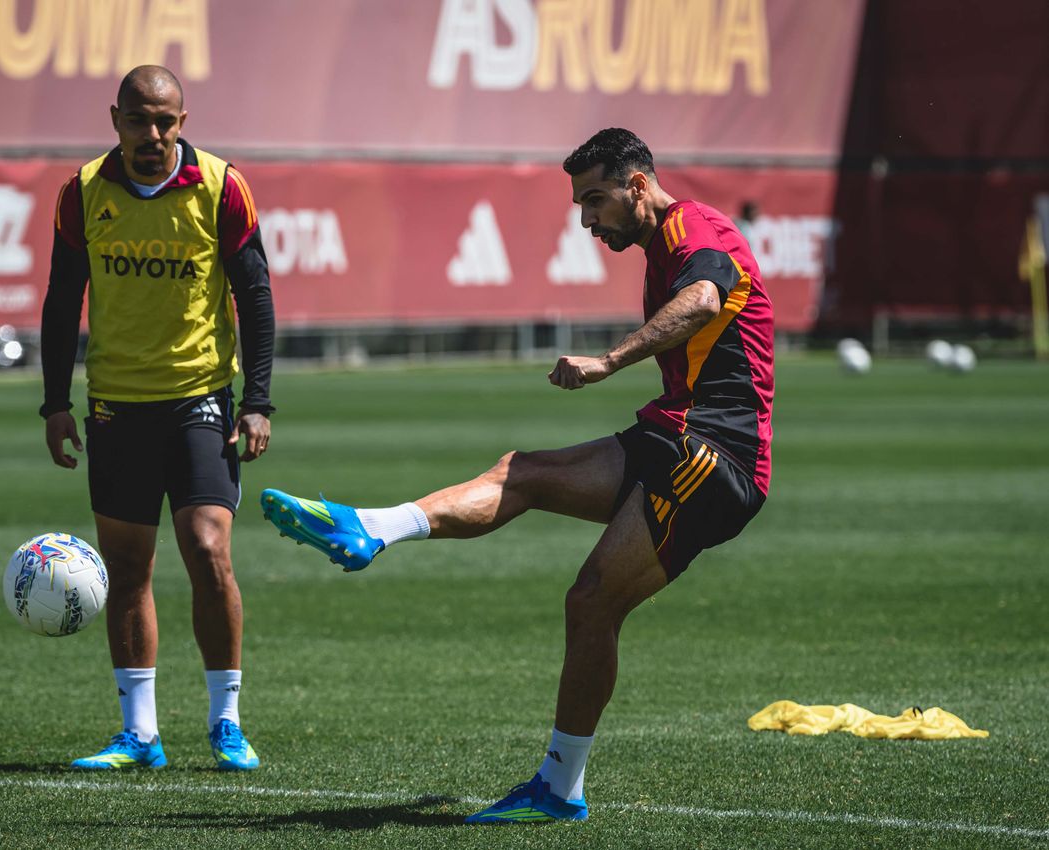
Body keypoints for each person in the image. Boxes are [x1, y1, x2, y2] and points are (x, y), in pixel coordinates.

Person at [261, 128, 773, 823]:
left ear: (639, 185)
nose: (587, 219)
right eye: (580, 204)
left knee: (592, 602)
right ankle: (372, 528)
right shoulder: (662, 243)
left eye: (596, 200)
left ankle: (559, 789)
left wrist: (609, 361)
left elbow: (706, 300)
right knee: (523, 472)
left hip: (714, 459)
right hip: (672, 437)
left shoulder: (694, 227)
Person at [40, 65, 275, 772]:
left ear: (183, 120)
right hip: (115, 403)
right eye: (139, 120)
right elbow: (61, 302)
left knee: (208, 550)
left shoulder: (221, 187)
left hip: (200, 398)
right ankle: (139, 734)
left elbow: (256, 297)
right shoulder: (82, 192)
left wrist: (258, 401)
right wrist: (55, 403)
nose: (153, 135)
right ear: (115, 118)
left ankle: (226, 721)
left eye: (166, 121)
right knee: (128, 569)